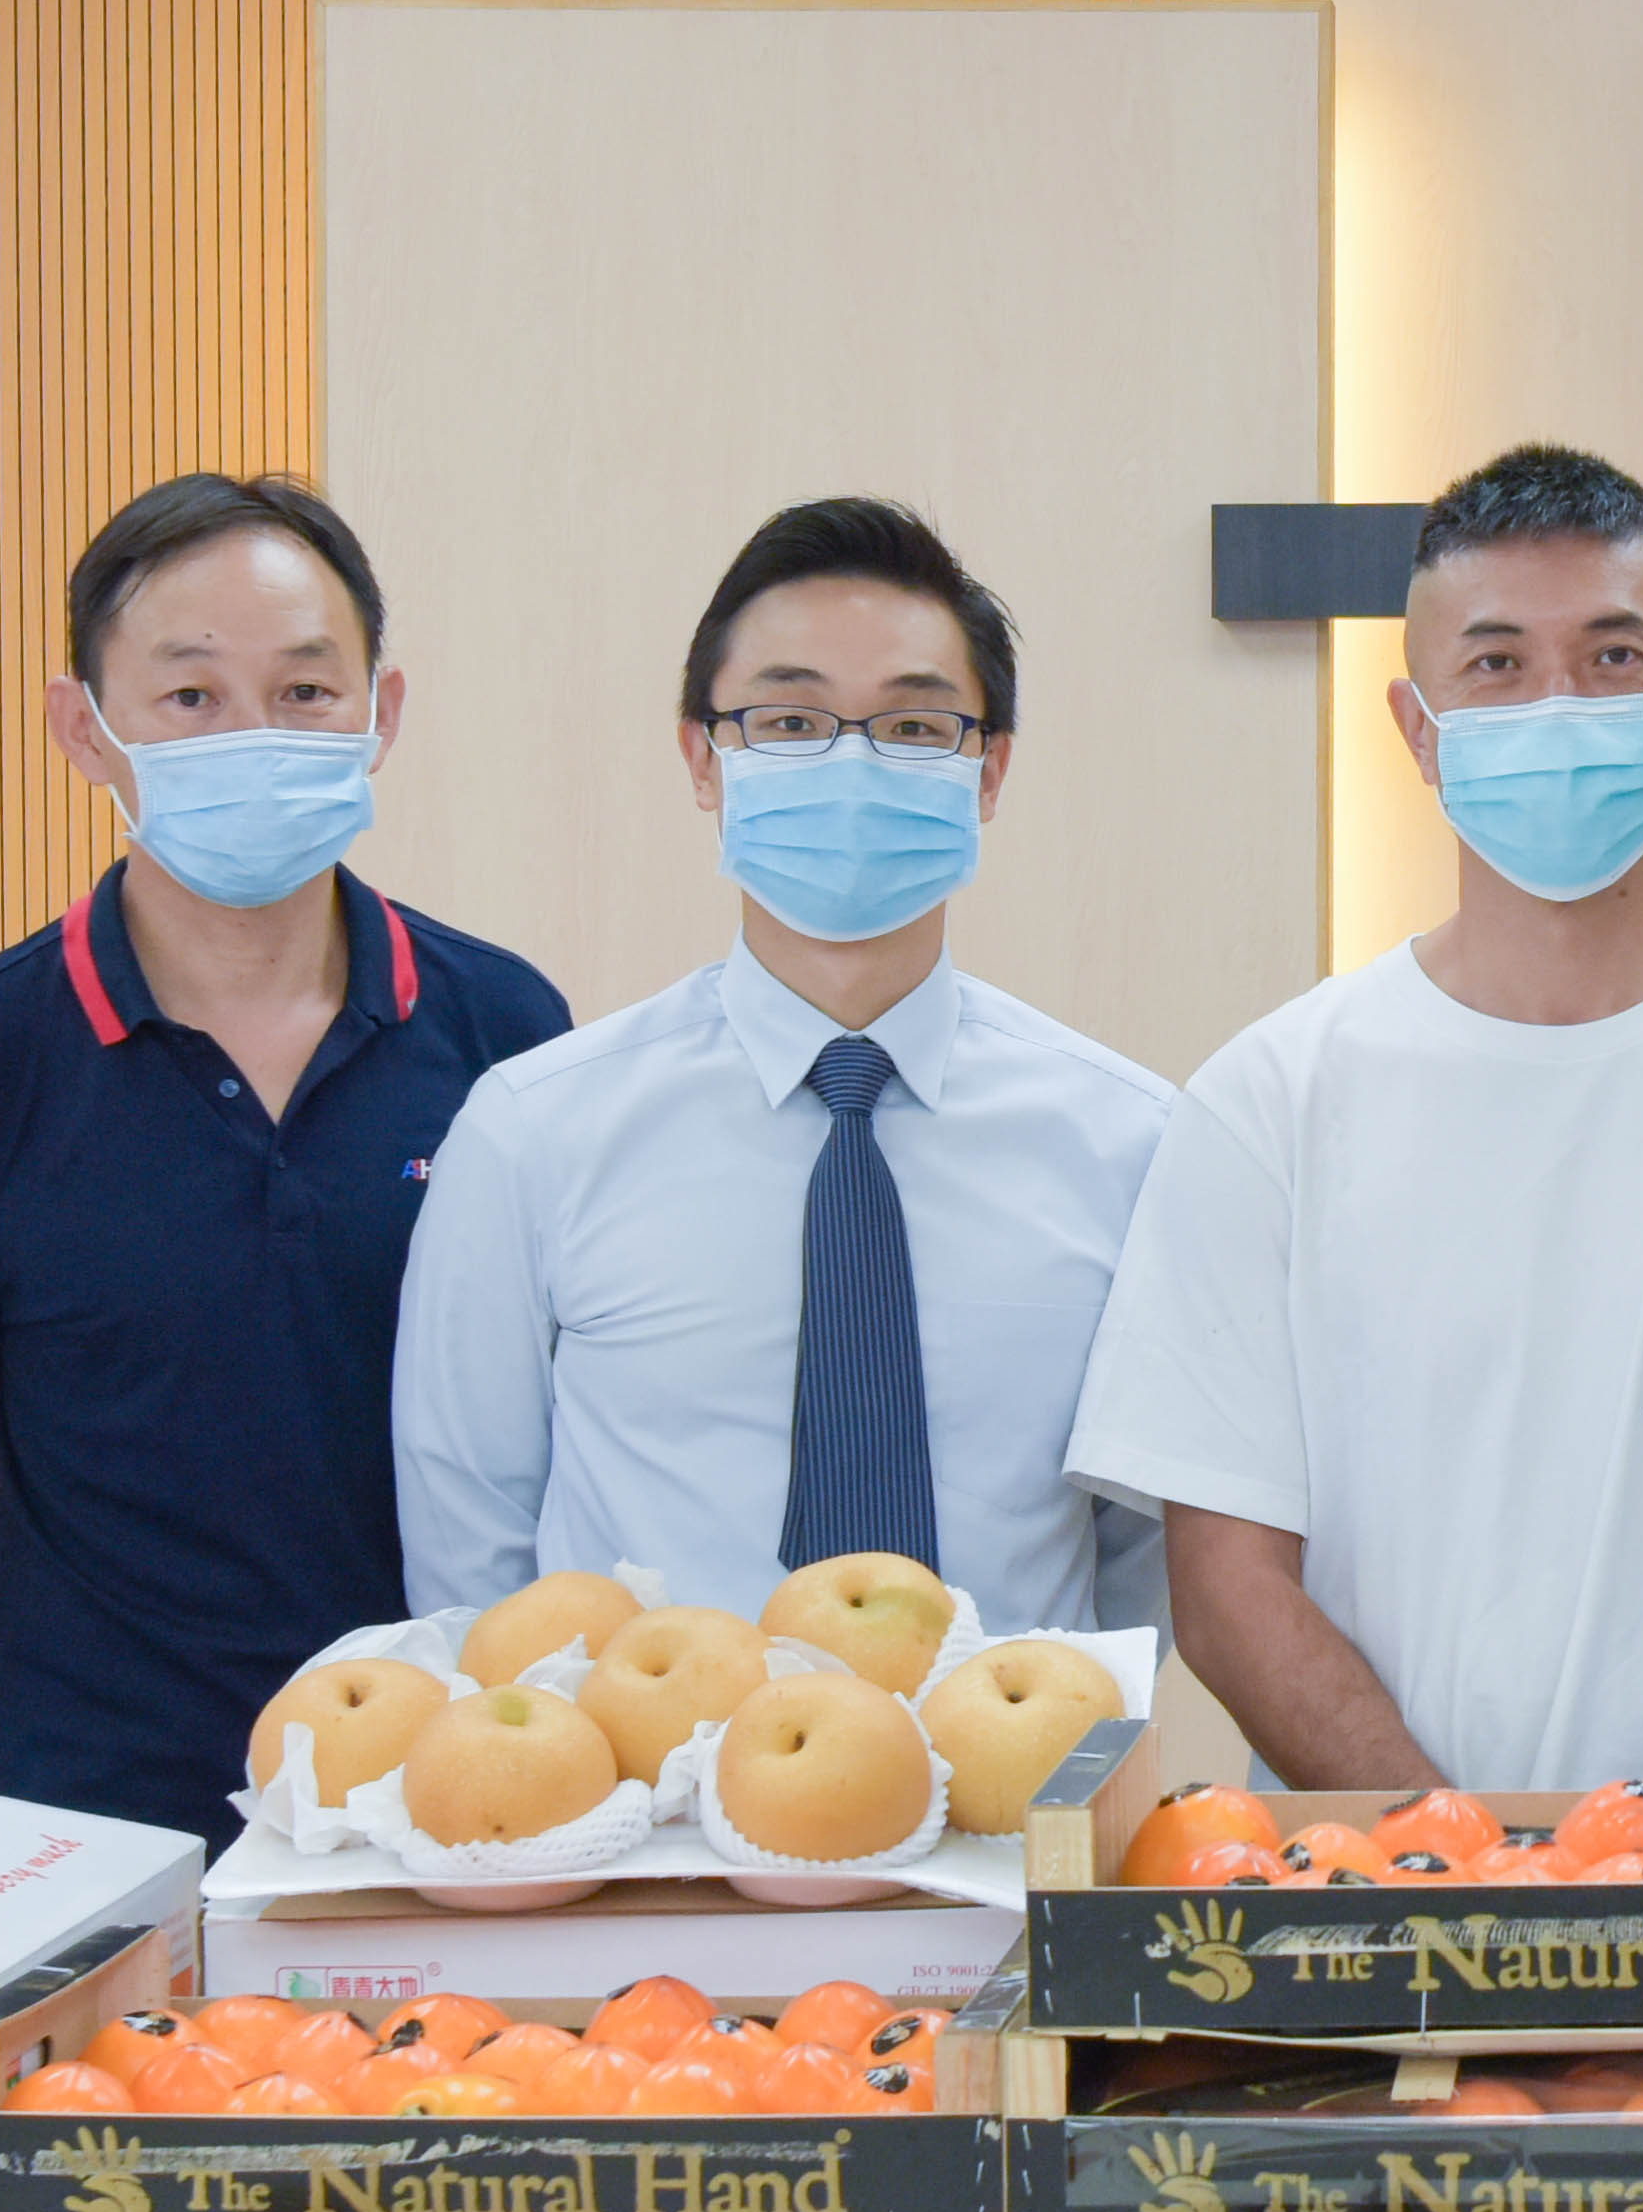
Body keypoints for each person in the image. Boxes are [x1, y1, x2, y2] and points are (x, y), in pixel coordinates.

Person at [1067, 444, 1643, 1787]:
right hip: (1377, 1937)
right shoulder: (1268, 1100)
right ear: (1416, 728)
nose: (1557, 703)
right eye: (1494, 664)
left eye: (1612, 657)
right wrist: (1461, 1887)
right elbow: (1228, 1585)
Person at [0, 475, 564, 1841]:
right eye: (190, 698)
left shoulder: (506, 1032)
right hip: (82, 1815)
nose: (254, 736)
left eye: (302, 692)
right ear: (85, 728)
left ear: (379, 715)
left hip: (438, 1803)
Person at [393, 498, 1166, 1643]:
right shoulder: (536, 1132)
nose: (850, 762)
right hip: (643, 1809)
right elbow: (471, 1534)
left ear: (990, 771)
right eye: (792, 721)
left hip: (1015, 1798)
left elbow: (1145, 1549)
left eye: (913, 728)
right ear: (703, 759)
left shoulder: (1129, 1142)